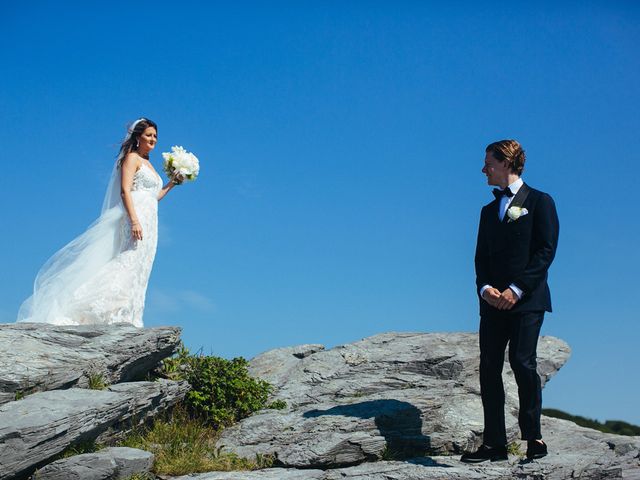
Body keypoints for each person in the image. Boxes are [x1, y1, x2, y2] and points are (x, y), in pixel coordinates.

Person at [17, 118, 182, 327]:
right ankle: (92, 309)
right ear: (138, 136)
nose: (153, 139)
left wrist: (171, 184)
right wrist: (134, 221)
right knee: (127, 261)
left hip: (150, 219)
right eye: (149, 135)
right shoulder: (132, 158)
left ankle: (129, 315)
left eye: (155, 136)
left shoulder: (150, 164)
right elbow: (125, 191)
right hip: (135, 216)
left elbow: (152, 196)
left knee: (141, 265)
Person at [461, 139, 559, 463]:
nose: (483, 168)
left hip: (527, 301)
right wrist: (485, 288)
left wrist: (516, 289)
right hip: (492, 305)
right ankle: (495, 445)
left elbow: (545, 251)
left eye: (488, 162)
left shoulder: (541, 201)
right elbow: (480, 259)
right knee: (488, 368)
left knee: (522, 362)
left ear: (505, 163)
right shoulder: (487, 212)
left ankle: (534, 438)